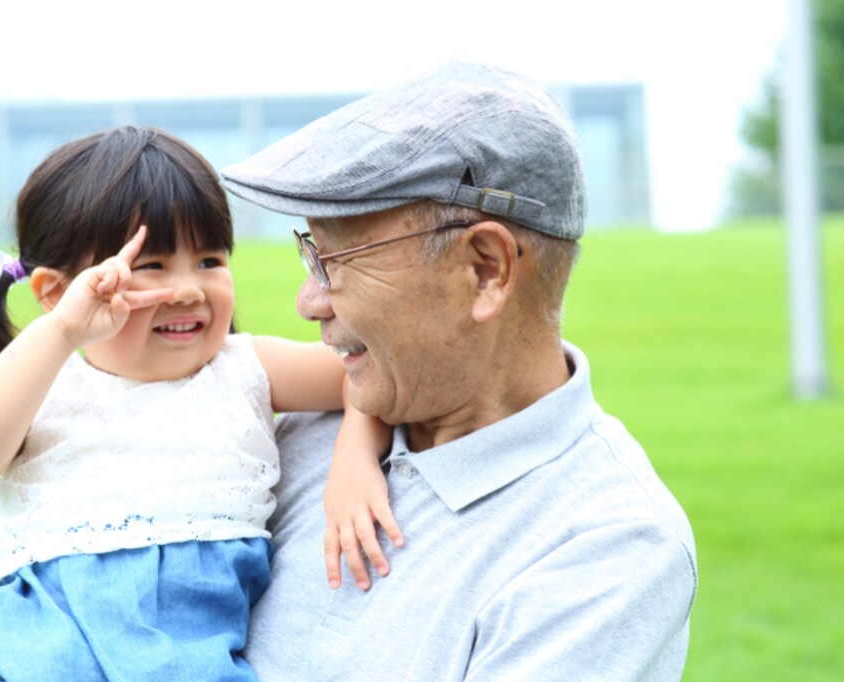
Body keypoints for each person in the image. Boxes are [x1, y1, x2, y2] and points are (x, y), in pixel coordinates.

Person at [220, 61, 698, 680]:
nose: (307, 302)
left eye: (335, 259)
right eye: (308, 251)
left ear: (485, 270)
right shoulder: (302, 435)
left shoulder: (608, 547)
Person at [0, 126, 398, 681]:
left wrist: (353, 457)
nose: (187, 289)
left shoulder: (244, 368)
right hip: (37, 648)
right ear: (58, 292)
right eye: (150, 266)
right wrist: (61, 330)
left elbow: (368, 370)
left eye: (208, 261)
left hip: (184, 654)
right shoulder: (43, 382)